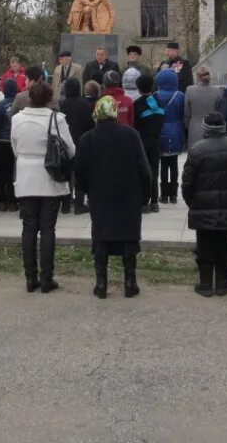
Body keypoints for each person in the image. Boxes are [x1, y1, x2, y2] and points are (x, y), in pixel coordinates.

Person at [75, 96, 150, 298]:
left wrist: (85, 191)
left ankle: (101, 284)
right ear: (115, 113)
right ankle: (130, 282)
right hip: (129, 196)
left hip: (100, 196)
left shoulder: (87, 139)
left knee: (101, 238)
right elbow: (144, 169)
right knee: (128, 238)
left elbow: (79, 172)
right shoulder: (131, 135)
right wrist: (145, 196)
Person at [10, 81, 75, 293]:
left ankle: (30, 278)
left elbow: (15, 147)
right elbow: (71, 150)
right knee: (47, 228)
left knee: (28, 227)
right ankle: (47, 278)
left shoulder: (17, 119)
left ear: (29, 98)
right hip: (49, 177)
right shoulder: (57, 119)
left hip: (26, 175)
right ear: (49, 99)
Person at [182, 112, 227, 296]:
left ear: (205, 128)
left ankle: (205, 285)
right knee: (225, 244)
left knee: (204, 245)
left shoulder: (197, 150)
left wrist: (192, 203)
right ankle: (222, 283)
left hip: (203, 208)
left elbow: (187, 182)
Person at [59, 77, 93, 215]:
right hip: (81, 141)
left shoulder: (61, 104)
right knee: (80, 174)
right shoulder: (84, 104)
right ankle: (79, 204)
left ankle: (65, 204)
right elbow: (90, 124)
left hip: (65, 142)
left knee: (66, 174)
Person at [133, 74, 164, 213]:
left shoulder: (138, 103)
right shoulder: (159, 101)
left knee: (143, 171)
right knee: (155, 170)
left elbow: (135, 124)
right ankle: (155, 201)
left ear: (138, 89)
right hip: (156, 139)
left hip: (142, 140)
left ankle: (144, 202)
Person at [155, 68, 185, 203]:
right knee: (174, 165)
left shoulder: (155, 95)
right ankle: (174, 195)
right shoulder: (180, 95)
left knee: (163, 165)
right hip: (176, 131)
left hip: (160, 131)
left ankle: (164, 194)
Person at [0, 78, 19, 212]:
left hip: (1, 142)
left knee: (0, 172)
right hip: (15, 142)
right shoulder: (19, 104)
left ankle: (0, 199)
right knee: (13, 172)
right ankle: (13, 199)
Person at [183, 65, 218, 150]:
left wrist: (187, 125)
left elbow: (187, 112)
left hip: (194, 128)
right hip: (211, 129)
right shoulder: (217, 91)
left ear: (197, 76)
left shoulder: (189, 90)